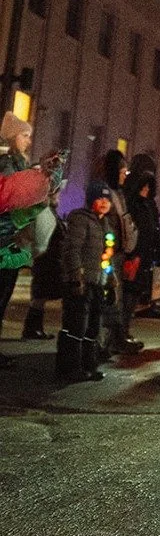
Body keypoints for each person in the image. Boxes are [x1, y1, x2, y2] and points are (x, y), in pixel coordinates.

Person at [56, 180, 115, 382]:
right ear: (91, 200)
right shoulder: (80, 219)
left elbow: (107, 255)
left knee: (93, 327)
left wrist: (111, 280)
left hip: (98, 282)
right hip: (81, 282)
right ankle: (69, 368)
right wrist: (75, 277)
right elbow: (73, 249)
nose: (105, 202)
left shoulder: (105, 223)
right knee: (76, 326)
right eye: (100, 198)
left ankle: (89, 365)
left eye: (108, 198)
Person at [93, 150, 139, 356]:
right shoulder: (103, 193)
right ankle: (99, 343)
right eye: (122, 171)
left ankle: (109, 342)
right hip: (106, 254)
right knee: (106, 297)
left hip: (118, 253)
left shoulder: (119, 194)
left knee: (114, 298)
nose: (124, 175)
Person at [0, 113, 36, 367]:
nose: (28, 141)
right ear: (14, 137)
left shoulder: (19, 164)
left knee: (4, 294)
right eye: (25, 135)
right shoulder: (7, 164)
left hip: (14, 237)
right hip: (5, 237)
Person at [123, 169, 160, 339]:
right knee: (129, 294)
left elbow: (155, 230)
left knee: (134, 294)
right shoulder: (134, 204)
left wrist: (159, 249)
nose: (146, 190)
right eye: (144, 186)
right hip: (134, 256)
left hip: (144, 256)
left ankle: (125, 329)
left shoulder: (149, 206)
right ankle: (121, 331)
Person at [21, 190, 65, 339]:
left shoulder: (51, 212)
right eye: (56, 195)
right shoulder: (46, 212)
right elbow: (42, 238)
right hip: (47, 261)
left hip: (49, 261)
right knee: (40, 296)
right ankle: (33, 328)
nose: (58, 198)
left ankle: (34, 328)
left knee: (41, 296)